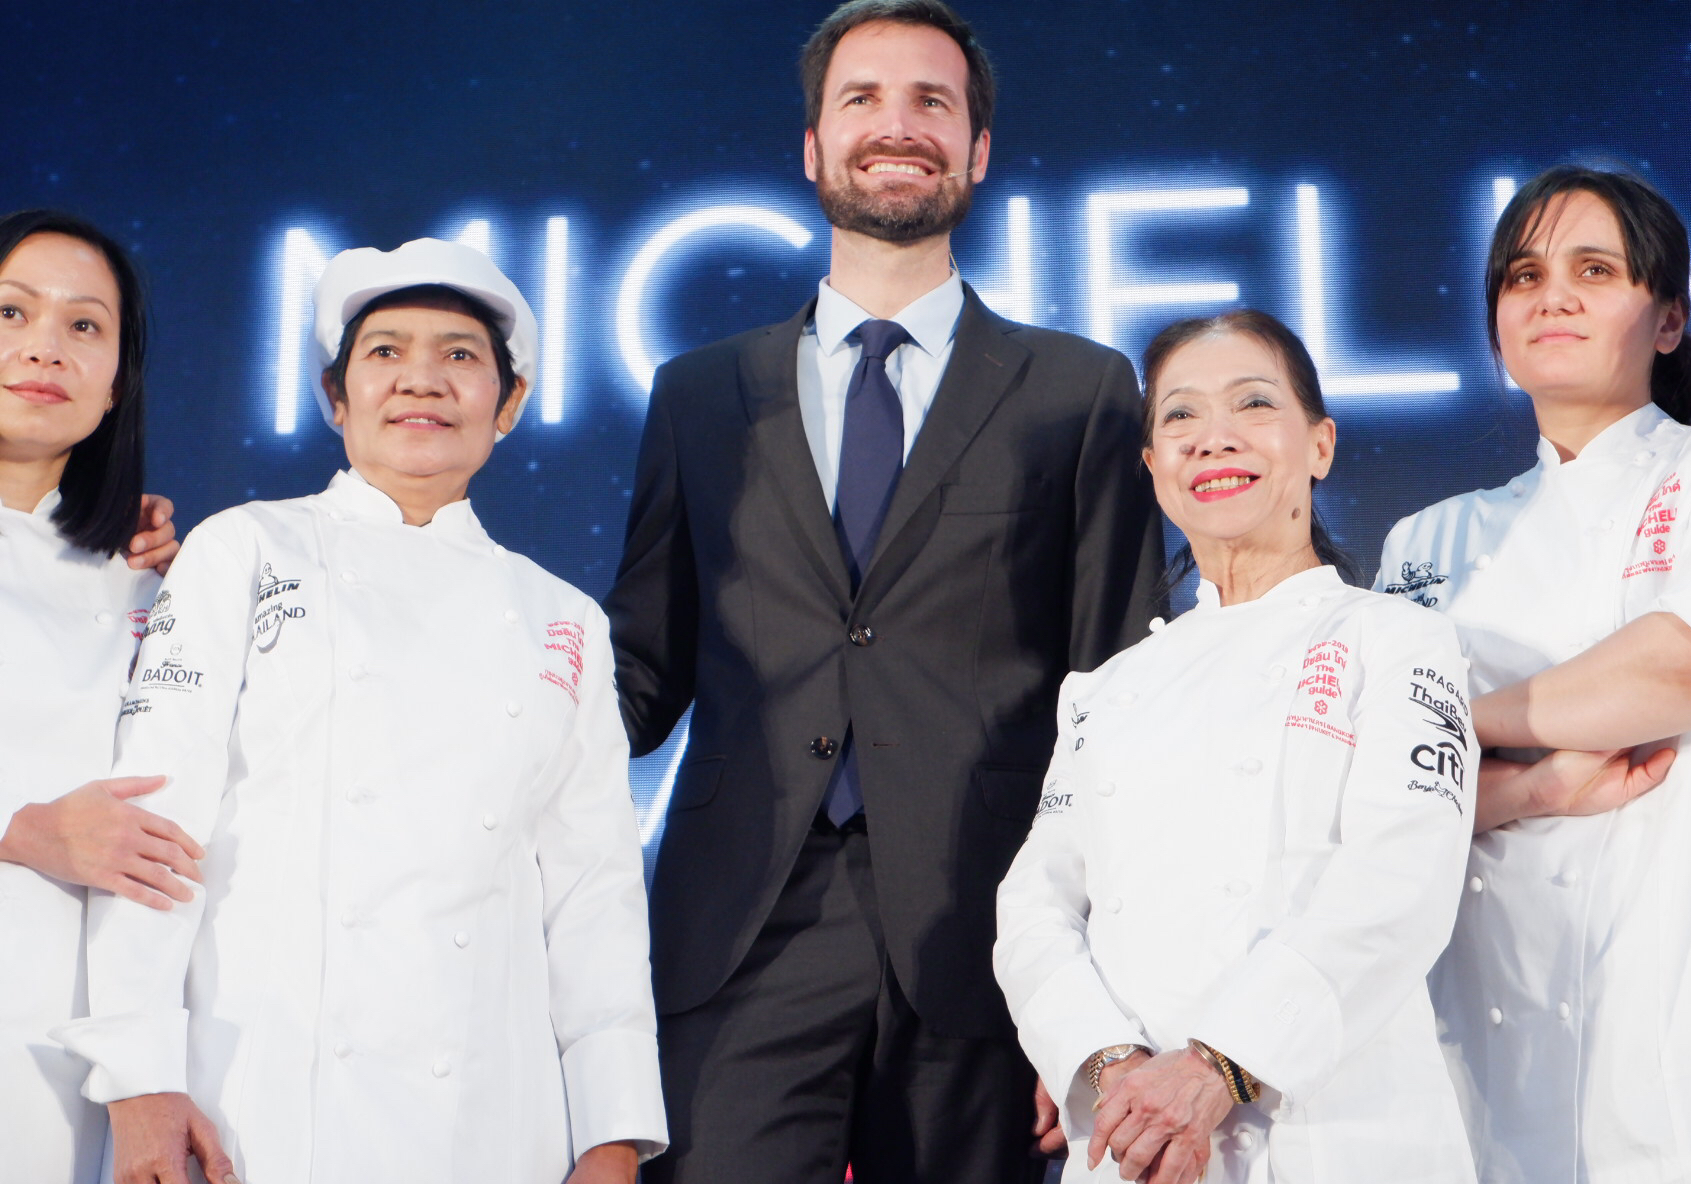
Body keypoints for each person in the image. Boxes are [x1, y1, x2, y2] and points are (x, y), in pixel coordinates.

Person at [603, 1, 1164, 1179]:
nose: (895, 126)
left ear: (977, 151)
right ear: (812, 146)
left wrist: (1100, 1001)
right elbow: (640, 667)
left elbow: (1119, 689)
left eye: (931, 102)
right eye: (862, 98)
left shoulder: (1080, 389)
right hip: (737, 930)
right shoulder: (702, 393)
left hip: (993, 936)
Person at [55, 238, 667, 1184]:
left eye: (461, 355)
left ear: (508, 405)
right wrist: (139, 1084)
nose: (422, 378)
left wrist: (613, 1138)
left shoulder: (563, 619)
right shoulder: (244, 550)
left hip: (494, 1124)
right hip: (256, 1107)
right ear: (336, 399)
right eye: (385, 352)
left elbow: (595, 901)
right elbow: (153, 829)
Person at [995, 310, 1479, 1183]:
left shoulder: (1397, 639)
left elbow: (1401, 875)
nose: (1212, 438)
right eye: (1179, 416)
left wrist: (1219, 1066)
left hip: (1337, 1133)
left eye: (1253, 404)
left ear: (1320, 445)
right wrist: (1111, 1067)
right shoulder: (1106, 690)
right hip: (1133, 1142)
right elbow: (1034, 907)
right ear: (1152, 469)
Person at [1376, 165, 1691, 1183]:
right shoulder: (1425, 537)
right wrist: (1545, 779)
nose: (1549, 295)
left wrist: (1458, 726)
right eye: (1522, 275)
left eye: (1594, 269)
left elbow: (1689, 665)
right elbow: (1381, 803)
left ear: (1671, 320)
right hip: (1485, 1091)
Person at [0, 208, 198, 1184]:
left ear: (117, 379)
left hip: (79, 1070)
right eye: (9, 311)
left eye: (85, 325)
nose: (43, 344)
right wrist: (20, 827)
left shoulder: (151, 581)